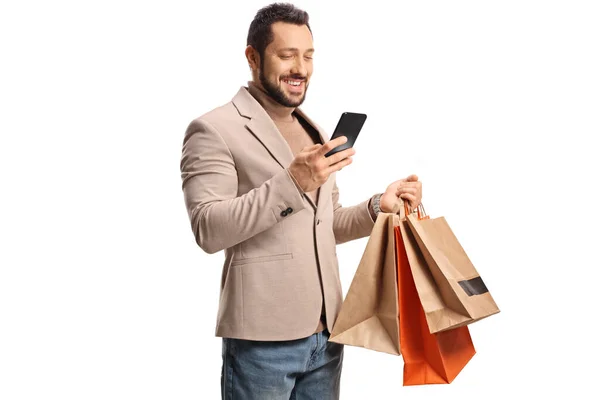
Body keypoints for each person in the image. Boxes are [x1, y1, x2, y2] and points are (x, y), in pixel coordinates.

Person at [180, 3, 423, 399]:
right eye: (287, 55)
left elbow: (326, 223)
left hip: (327, 335)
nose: (301, 68)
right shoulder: (213, 129)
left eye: (308, 56)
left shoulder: (313, 130)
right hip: (262, 342)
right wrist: (293, 181)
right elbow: (208, 228)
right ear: (253, 57)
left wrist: (380, 205)